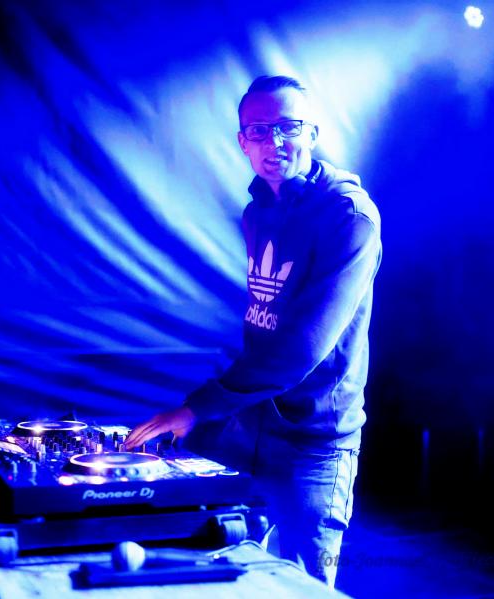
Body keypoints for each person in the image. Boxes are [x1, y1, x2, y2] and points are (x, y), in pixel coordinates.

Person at [125, 75, 382, 587]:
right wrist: (206, 420)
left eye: (288, 127)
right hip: (251, 423)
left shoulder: (349, 217)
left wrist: (197, 407)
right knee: (223, 571)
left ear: (313, 133)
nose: (274, 142)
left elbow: (299, 350)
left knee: (304, 587)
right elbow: (264, 321)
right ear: (243, 142)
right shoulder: (257, 210)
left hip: (314, 441)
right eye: (259, 131)